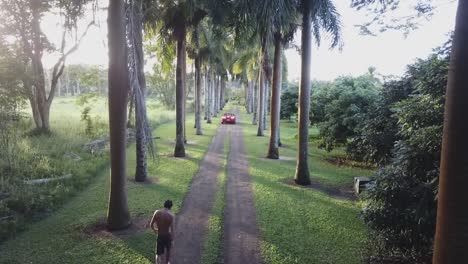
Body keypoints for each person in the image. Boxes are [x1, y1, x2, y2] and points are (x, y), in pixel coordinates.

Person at [150, 200, 175, 264]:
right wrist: (172, 240)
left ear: (164, 205)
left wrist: (155, 230)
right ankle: (167, 262)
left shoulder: (157, 212)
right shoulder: (171, 216)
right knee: (168, 251)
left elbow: (151, 225)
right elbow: (172, 230)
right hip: (167, 235)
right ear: (170, 207)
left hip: (160, 235)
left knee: (158, 254)